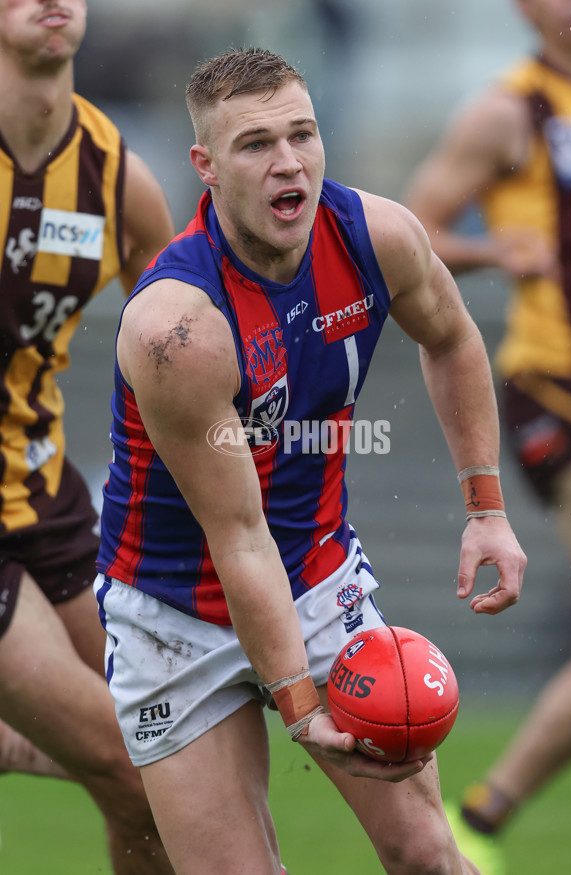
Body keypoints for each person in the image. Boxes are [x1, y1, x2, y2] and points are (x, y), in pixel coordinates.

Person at [94, 46, 526, 875]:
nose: (288, 161)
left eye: (303, 133)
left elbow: (455, 336)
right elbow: (239, 534)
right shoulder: (175, 330)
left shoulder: (379, 235)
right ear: (206, 166)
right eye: (256, 144)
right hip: (173, 613)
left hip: (317, 573)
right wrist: (297, 703)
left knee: (429, 857)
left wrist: (487, 509)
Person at [404, 0, 571, 839]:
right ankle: (484, 814)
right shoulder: (508, 110)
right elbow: (412, 229)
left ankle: (482, 814)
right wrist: (496, 251)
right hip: (560, 389)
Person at [0, 1, 176, 871]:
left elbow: (183, 348)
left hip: (44, 493)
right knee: (131, 756)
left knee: (153, 778)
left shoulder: (115, 176)